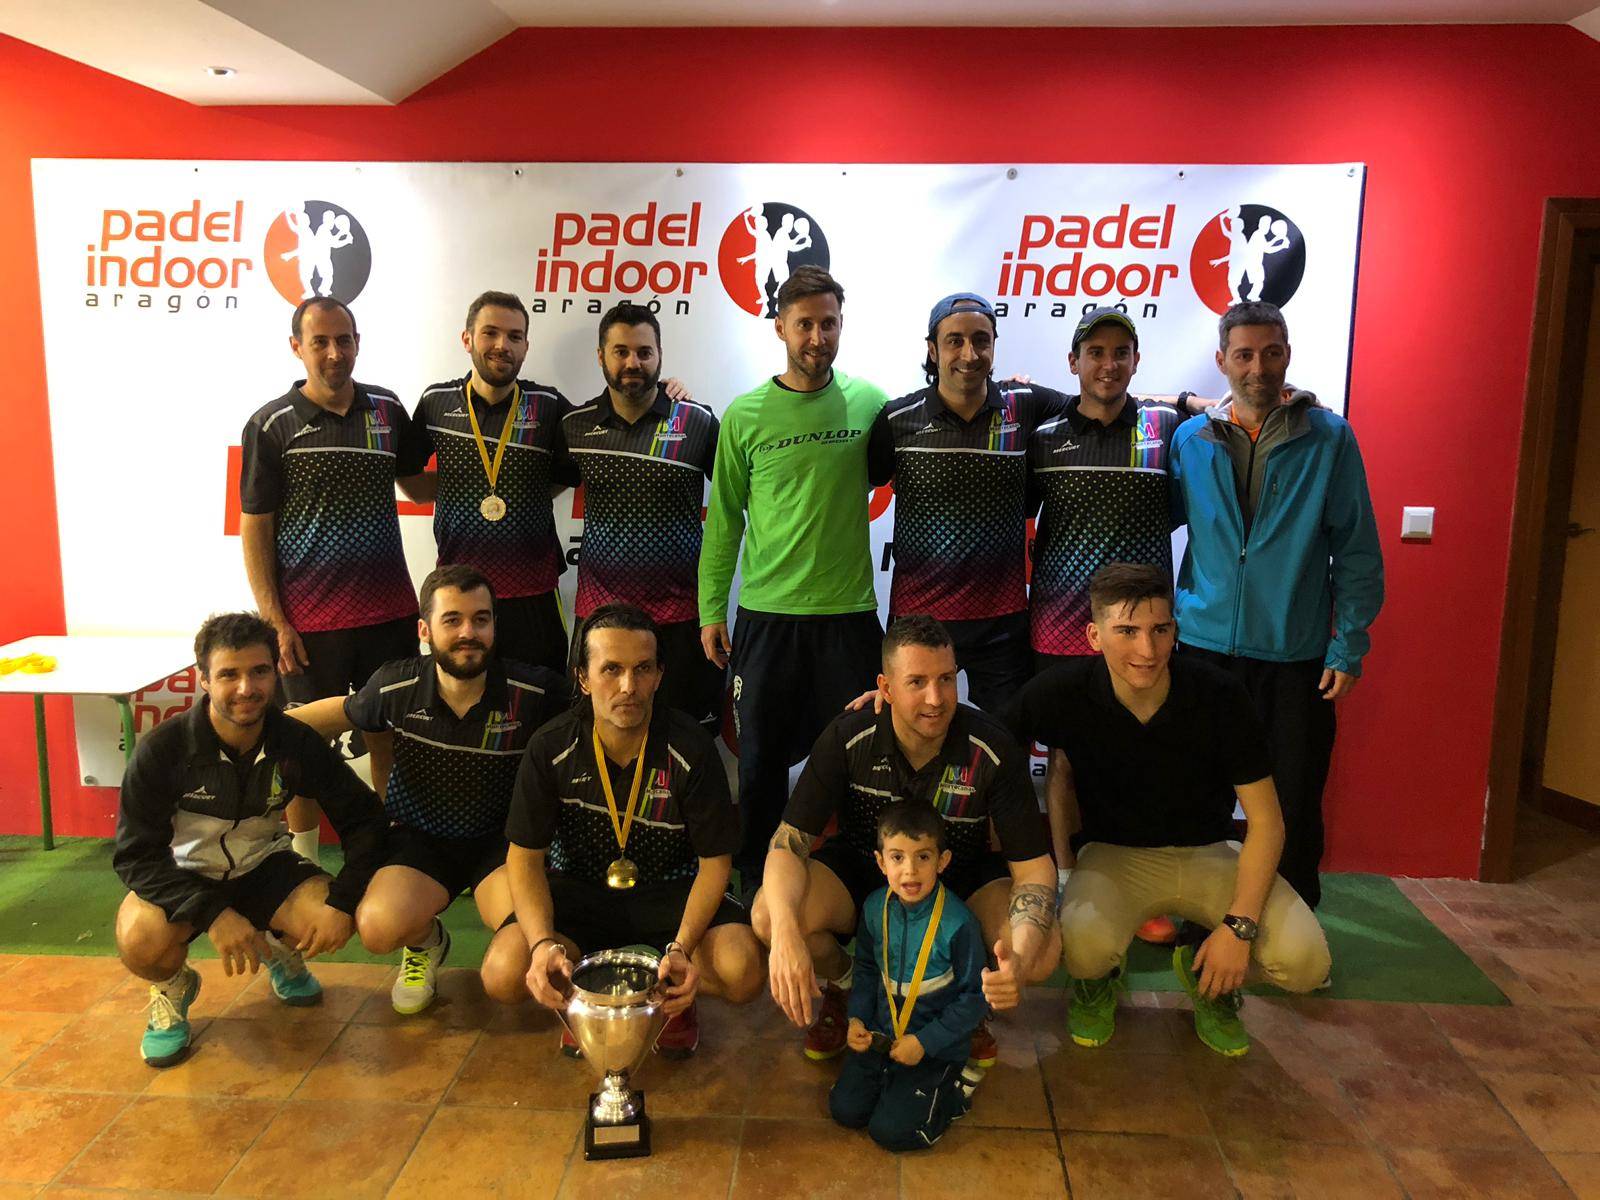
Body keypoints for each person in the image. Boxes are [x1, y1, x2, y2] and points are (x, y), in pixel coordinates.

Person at [1002, 563, 1332, 1057]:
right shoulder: (1061, 691)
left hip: (1211, 852)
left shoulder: (1220, 694)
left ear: (1175, 630)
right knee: (1083, 948)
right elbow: (984, 746)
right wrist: (896, 701)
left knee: (1306, 963)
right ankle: (1099, 981)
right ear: (1094, 636)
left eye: (1160, 630)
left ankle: (1210, 978)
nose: (1147, 649)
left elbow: (1268, 823)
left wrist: (1238, 929)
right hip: (1113, 856)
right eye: (1127, 631)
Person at [752, 616, 1056, 1066]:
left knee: (1044, 949)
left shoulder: (990, 746)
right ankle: (848, 987)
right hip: (864, 875)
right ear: (886, 687)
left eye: (946, 679)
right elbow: (786, 845)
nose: (936, 698)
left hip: (958, 878)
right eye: (917, 682)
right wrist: (785, 935)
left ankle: (964, 1003)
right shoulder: (848, 736)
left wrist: (1021, 961)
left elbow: (1034, 870)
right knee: (768, 914)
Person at [1169, 301, 1383, 910]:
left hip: (1295, 656)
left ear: (1287, 355)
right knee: (1196, 793)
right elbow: (1164, 523)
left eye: (1270, 353)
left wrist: (1348, 645)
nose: (1257, 368)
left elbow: (1357, 549)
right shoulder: (1191, 439)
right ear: (1222, 361)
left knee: (1294, 798)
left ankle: (1292, 920)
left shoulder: (1330, 438)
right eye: (1244, 355)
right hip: (1203, 649)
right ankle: (1200, 914)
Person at [285, 564, 569, 1015]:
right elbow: (316, 719)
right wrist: (237, 731)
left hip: (503, 847)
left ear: (495, 626)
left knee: (514, 964)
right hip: (421, 843)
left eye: (480, 619)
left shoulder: (535, 692)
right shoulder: (395, 684)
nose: (468, 633)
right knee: (377, 928)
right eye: (452, 620)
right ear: (424, 630)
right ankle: (426, 943)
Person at [112, 612, 388, 1066]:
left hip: (264, 866)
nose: (246, 688)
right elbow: (135, 857)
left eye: (259, 671)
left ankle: (280, 950)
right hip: (186, 876)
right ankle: (172, 987)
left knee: (329, 913)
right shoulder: (163, 750)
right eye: (229, 675)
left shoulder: (295, 741)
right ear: (203, 679)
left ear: (275, 673)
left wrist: (342, 902)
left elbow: (365, 821)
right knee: (140, 940)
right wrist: (214, 915)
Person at [699, 266, 890, 886]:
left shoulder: (872, 404)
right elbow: (724, 521)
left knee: (862, 760)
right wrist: (711, 610)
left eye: (828, 323)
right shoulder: (745, 415)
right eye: (804, 324)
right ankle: (757, 883)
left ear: (841, 325)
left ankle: (857, 882)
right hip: (767, 618)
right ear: (780, 327)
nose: (817, 337)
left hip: (848, 617)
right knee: (759, 764)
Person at [505, 604, 764, 1058]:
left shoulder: (690, 747)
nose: (628, 686)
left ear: (659, 676)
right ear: (583, 678)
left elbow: (714, 864)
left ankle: (672, 995)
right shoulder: (550, 746)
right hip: (582, 889)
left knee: (742, 970)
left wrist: (681, 949)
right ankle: (588, 1002)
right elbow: (524, 859)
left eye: (642, 669)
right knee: (503, 970)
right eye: (611, 669)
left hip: (671, 888)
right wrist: (543, 944)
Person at [239, 297, 429, 861]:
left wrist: (499, 485)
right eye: (319, 341)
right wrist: (275, 622)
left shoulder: (387, 410)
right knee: (299, 746)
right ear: (296, 347)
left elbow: (418, 485)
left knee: (389, 736)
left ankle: (393, 851)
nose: (333, 352)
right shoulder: (271, 424)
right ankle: (303, 861)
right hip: (309, 622)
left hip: (389, 613)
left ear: (357, 342)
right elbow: (256, 528)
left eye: (343, 340)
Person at [1026, 306, 1193, 946]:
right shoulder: (1044, 437)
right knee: (1064, 761)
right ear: (1074, 362)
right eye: (1095, 352)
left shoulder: (1165, 428)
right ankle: (1068, 880)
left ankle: (1138, 888)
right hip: (1060, 627)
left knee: (1141, 760)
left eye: (1121, 352)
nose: (1108, 364)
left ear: (1136, 361)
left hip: (1143, 632)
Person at [867, 293, 1067, 709]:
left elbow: (1098, 405)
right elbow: (852, 490)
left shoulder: (1024, 404)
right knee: (914, 735)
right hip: (918, 620)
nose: (969, 354)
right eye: (954, 341)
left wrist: (1182, 403)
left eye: (981, 340)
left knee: (1006, 737)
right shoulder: (898, 419)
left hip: (1002, 623)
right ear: (932, 349)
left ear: (994, 345)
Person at [560, 303, 725, 728]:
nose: (633, 362)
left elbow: (735, 503)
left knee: (686, 737)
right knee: (598, 735)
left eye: (644, 352)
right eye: (621, 351)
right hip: (600, 618)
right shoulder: (575, 425)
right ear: (601, 356)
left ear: (660, 356)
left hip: (681, 619)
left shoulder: (698, 422)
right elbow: (541, 486)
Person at [411, 292, 576, 674]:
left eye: (515, 336)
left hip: (533, 593)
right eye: (491, 333)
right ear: (467, 338)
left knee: (542, 697)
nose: (503, 345)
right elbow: (407, 472)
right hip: (460, 595)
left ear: (526, 346)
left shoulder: (548, 405)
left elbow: (584, 455)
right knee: (461, 694)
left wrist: (666, 391)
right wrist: (457, 488)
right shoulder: (437, 402)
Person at [829, 802, 986, 1151]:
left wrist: (925, 1042)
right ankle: (897, 1089)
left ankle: (955, 1093)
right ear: (881, 862)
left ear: (942, 861)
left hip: (935, 1047)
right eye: (897, 857)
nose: (910, 871)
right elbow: (867, 969)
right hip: (883, 1038)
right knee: (846, 1111)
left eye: (923, 857)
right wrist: (857, 1018)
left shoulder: (959, 923)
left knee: (891, 1133)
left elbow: (975, 998)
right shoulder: (874, 908)